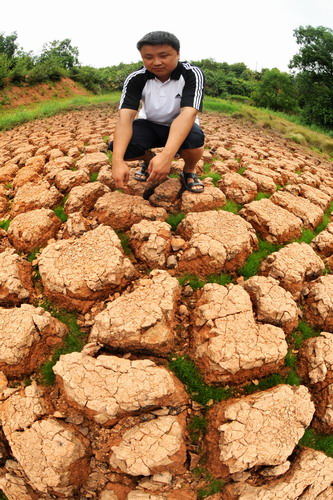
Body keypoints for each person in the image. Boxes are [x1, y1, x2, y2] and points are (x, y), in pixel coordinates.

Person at [109, 30, 205, 193]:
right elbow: (125, 118)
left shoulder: (191, 74)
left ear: (178, 54)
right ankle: (149, 159)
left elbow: (188, 113)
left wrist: (167, 156)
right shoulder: (135, 78)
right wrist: (117, 161)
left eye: (163, 55)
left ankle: (189, 171)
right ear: (142, 57)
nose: (157, 62)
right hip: (149, 124)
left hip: (180, 124)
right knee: (118, 147)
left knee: (195, 140)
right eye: (148, 57)